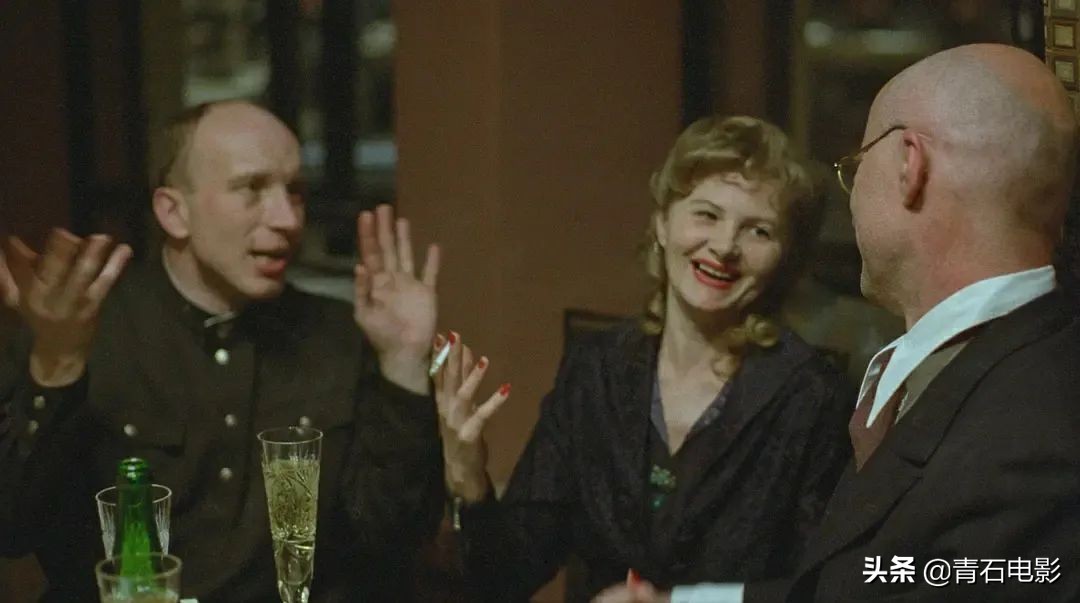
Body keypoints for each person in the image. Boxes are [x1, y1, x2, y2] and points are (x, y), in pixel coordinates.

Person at [596, 43, 1080, 603]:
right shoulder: (993, 367)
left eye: (855, 167)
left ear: (910, 166)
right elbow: (866, 582)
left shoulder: (1031, 437)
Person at [0, 100, 445, 602]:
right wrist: (56, 367)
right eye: (251, 188)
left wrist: (404, 364)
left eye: (295, 192)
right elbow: (12, 528)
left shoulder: (340, 336)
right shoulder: (84, 330)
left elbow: (391, 538)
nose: (287, 218)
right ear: (174, 212)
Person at [432, 115, 854, 601]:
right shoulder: (598, 370)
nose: (724, 247)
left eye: (758, 231)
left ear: (785, 258)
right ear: (662, 222)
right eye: (707, 215)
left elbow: (826, 591)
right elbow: (506, 576)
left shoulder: (812, 397)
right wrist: (467, 479)